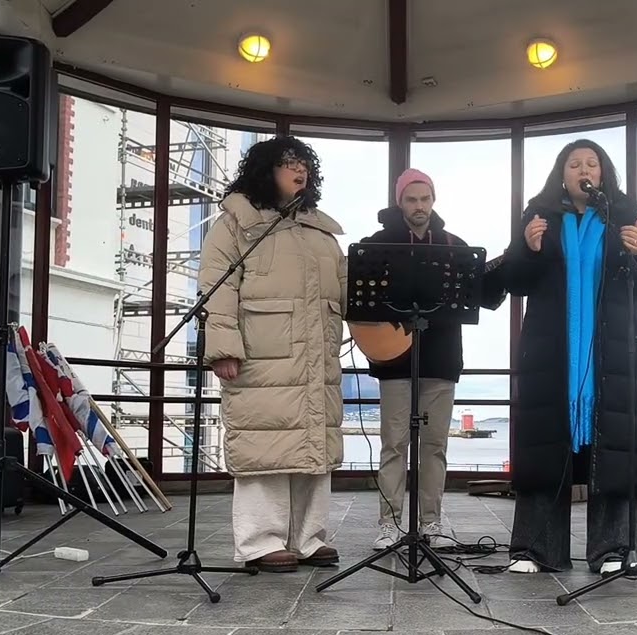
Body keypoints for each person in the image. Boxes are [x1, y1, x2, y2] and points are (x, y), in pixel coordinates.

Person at [502, 139, 637, 574]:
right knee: (542, 448)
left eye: (591, 163)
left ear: (604, 173)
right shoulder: (537, 218)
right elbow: (514, 282)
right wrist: (527, 247)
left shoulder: (626, 218)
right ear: (562, 174)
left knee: (615, 451)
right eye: (574, 163)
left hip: (613, 357)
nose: (583, 169)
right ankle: (536, 549)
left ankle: (614, 550)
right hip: (550, 354)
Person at [201, 136, 346, 573]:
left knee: (312, 449)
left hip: (316, 357)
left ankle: (309, 538)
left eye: (303, 163)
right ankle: (259, 542)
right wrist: (223, 347)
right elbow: (216, 285)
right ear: (266, 169)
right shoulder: (237, 222)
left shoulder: (322, 229)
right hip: (261, 356)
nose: (299, 170)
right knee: (264, 446)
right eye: (288, 163)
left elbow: (346, 289)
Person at [361, 169, 507, 550]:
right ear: (400, 202)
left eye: (425, 199)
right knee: (394, 444)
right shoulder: (377, 246)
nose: (419, 206)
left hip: (441, 358)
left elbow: (485, 298)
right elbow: (358, 295)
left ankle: (432, 523)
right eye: (412, 200)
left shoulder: (454, 246)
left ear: (434, 201)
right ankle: (389, 524)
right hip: (393, 360)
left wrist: (502, 270)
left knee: (434, 446)